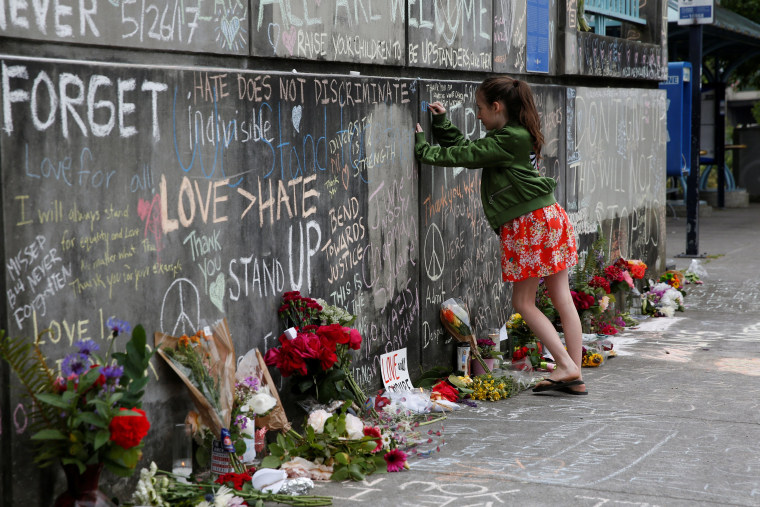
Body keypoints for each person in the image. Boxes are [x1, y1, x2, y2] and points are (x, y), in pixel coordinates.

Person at [414, 76, 586, 395]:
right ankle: (573, 376)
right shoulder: (514, 135)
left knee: (523, 301)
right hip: (547, 219)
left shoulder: (509, 138)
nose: (477, 115)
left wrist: (424, 149)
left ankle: (566, 366)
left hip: (530, 224)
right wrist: (442, 124)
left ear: (496, 106)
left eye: (479, 108)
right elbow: (471, 150)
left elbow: (465, 156)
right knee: (562, 298)